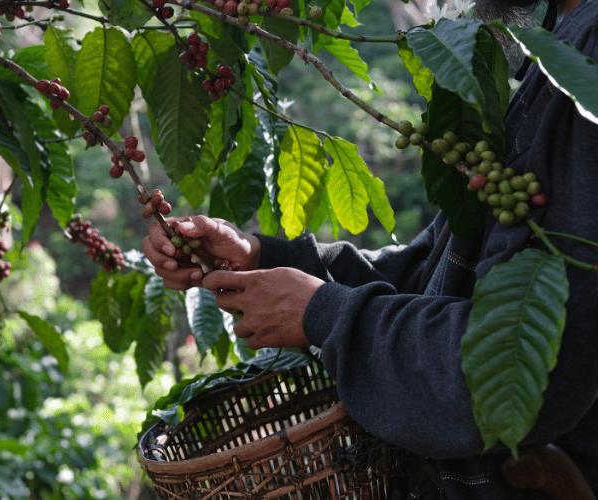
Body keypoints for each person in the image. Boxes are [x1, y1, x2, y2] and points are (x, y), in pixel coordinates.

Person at [141, 0, 598, 495]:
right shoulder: (550, 52)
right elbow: (436, 274)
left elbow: (522, 371)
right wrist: (263, 257)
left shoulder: (587, 56)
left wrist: (326, 314)